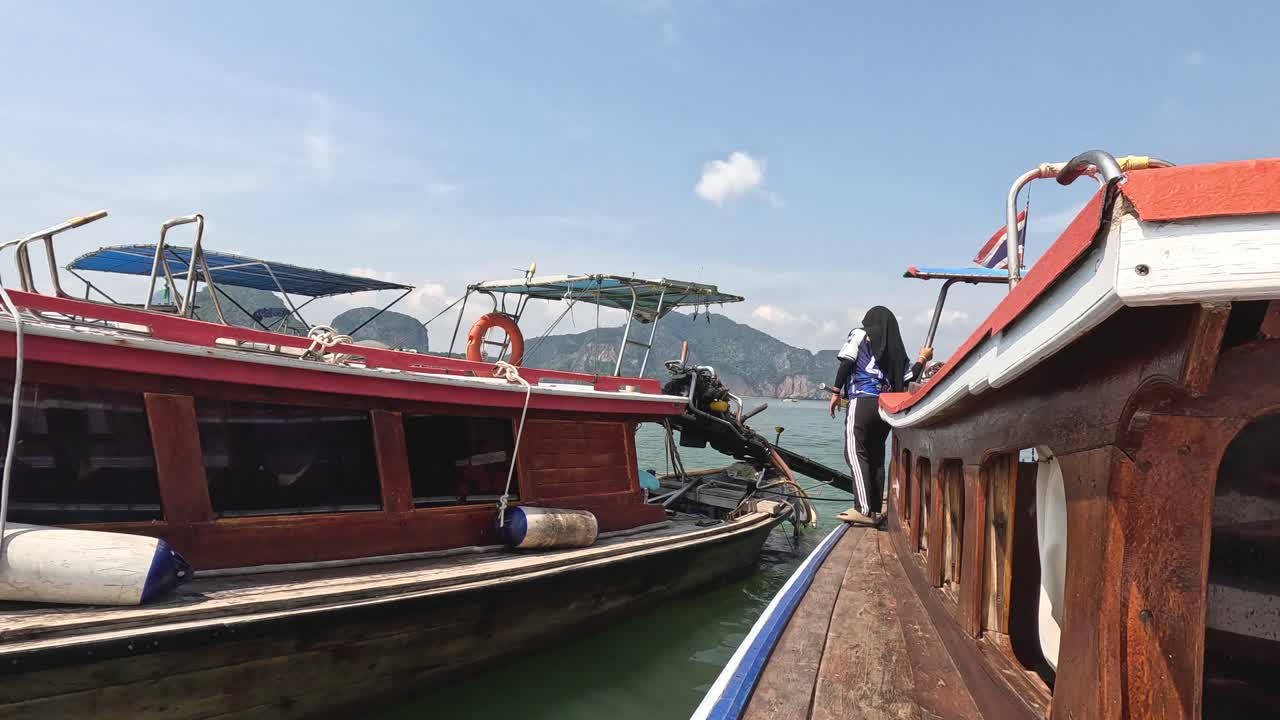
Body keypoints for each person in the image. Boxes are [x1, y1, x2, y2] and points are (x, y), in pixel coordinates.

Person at [827, 306, 932, 526]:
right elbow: (908, 379)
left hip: (862, 399)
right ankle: (874, 510)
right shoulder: (896, 349)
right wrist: (922, 358)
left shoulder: (859, 334)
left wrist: (836, 392)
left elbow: (847, 362)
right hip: (884, 407)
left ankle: (863, 509)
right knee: (876, 457)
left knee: (855, 453)